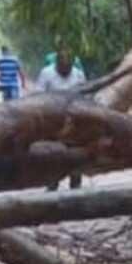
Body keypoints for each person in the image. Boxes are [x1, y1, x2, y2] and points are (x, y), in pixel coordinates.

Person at [37, 47, 87, 189]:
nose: (66, 69)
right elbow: (38, 97)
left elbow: (86, 97)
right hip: (53, 123)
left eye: (69, 66)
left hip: (75, 123)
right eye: (63, 66)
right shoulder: (46, 74)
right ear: (57, 63)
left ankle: (75, 188)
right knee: (52, 157)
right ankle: (52, 187)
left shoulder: (79, 75)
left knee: (75, 157)